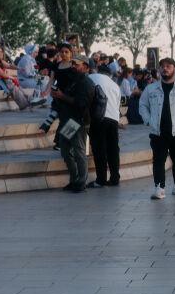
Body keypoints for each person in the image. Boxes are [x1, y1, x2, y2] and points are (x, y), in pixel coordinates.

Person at [139, 57, 175, 200]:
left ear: (174, 69)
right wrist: (148, 121)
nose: (165, 69)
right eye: (162, 66)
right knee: (158, 160)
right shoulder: (151, 88)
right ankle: (159, 187)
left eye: (168, 66)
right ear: (159, 70)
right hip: (158, 131)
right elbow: (143, 105)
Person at [50, 53, 95, 192]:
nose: (73, 66)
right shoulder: (75, 80)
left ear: (85, 67)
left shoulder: (86, 83)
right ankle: (74, 179)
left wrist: (62, 96)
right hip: (70, 121)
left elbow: (82, 104)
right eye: (73, 64)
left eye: (76, 64)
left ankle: (81, 182)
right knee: (65, 150)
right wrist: (59, 96)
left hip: (79, 121)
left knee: (79, 151)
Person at [87, 63, 122, 188]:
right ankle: (114, 178)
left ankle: (101, 179)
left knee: (99, 149)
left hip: (98, 118)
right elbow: (118, 105)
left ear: (97, 71)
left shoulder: (92, 77)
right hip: (113, 119)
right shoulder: (115, 85)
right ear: (110, 75)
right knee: (113, 149)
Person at [0, 43, 32, 110]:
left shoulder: (0, 61)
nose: (2, 53)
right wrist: (13, 78)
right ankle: (25, 103)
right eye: (0, 51)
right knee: (9, 82)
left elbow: (9, 66)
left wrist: (20, 68)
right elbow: (3, 74)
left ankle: (26, 101)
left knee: (10, 83)